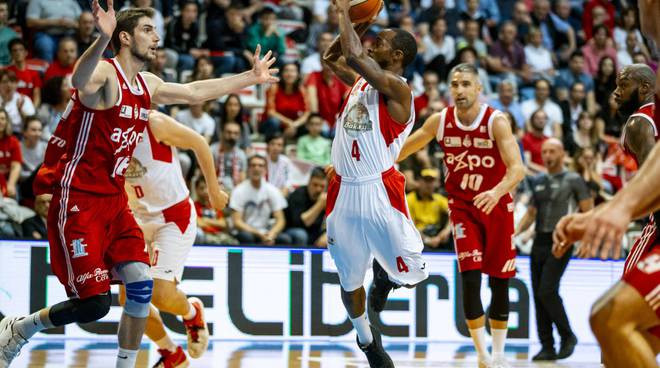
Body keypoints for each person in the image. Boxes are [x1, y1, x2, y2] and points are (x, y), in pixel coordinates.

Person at [0, 2, 278, 367]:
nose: (157, 37)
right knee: (95, 306)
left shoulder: (147, 84)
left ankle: (126, 363)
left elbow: (194, 92)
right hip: (79, 199)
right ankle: (21, 328)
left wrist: (249, 77)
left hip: (116, 202)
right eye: (149, 30)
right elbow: (79, 81)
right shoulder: (105, 73)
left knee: (141, 287)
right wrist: (101, 37)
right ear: (126, 37)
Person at [322, 1, 429, 365]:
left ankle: (387, 277)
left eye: (379, 41)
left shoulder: (399, 91)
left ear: (397, 56)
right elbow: (331, 57)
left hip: (378, 190)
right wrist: (360, 22)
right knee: (349, 283)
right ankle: (370, 344)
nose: (371, 44)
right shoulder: (361, 83)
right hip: (342, 191)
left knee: (412, 275)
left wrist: (343, 12)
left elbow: (352, 54)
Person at [397, 63, 525, 367]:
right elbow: (403, 149)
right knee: (469, 276)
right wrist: (360, 157)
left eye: (466, 84)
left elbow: (517, 168)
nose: (460, 90)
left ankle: (498, 354)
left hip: (496, 205)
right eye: (455, 84)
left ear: (479, 89)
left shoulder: (497, 121)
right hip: (462, 206)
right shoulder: (440, 121)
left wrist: (496, 192)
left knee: (499, 280)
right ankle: (482, 355)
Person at [553, 63, 660, 366]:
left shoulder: (640, 121)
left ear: (644, 88)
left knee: (612, 318)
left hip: (656, 232)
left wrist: (610, 213)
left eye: (623, 85)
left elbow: (652, 186)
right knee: (633, 329)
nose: (615, 91)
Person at [122, 111, 228, 367]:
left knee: (159, 293)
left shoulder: (153, 123)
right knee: (129, 300)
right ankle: (172, 354)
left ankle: (193, 314)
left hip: (172, 217)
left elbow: (199, 143)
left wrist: (213, 191)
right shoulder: (102, 131)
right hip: (135, 218)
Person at [515, 138, 593, 361]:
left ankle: (568, 336)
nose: (547, 155)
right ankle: (547, 346)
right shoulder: (537, 180)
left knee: (547, 290)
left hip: (562, 240)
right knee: (538, 295)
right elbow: (531, 213)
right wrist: (516, 233)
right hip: (538, 241)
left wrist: (584, 240)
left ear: (562, 154)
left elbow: (588, 211)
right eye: (544, 151)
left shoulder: (574, 180)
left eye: (552, 151)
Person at [230, 154, 291, 245]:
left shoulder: (272, 190)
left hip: (266, 231)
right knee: (246, 237)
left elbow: (280, 219)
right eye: (253, 165)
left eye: (260, 166)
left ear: (265, 170)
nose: (256, 168)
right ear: (248, 169)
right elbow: (237, 222)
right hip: (247, 231)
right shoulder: (239, 191)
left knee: (285, 239)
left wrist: (272, 233)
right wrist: (258, 233)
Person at [284, 167, 328, 247]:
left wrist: (327, 234)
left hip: (314, 232)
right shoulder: (298, 195)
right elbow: (304, 223)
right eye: (315, 185)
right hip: (293, 230)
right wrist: (320, 204)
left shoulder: (327, 198)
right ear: (309, 183)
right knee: (301, 235)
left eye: (322, 186)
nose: (318, 189)